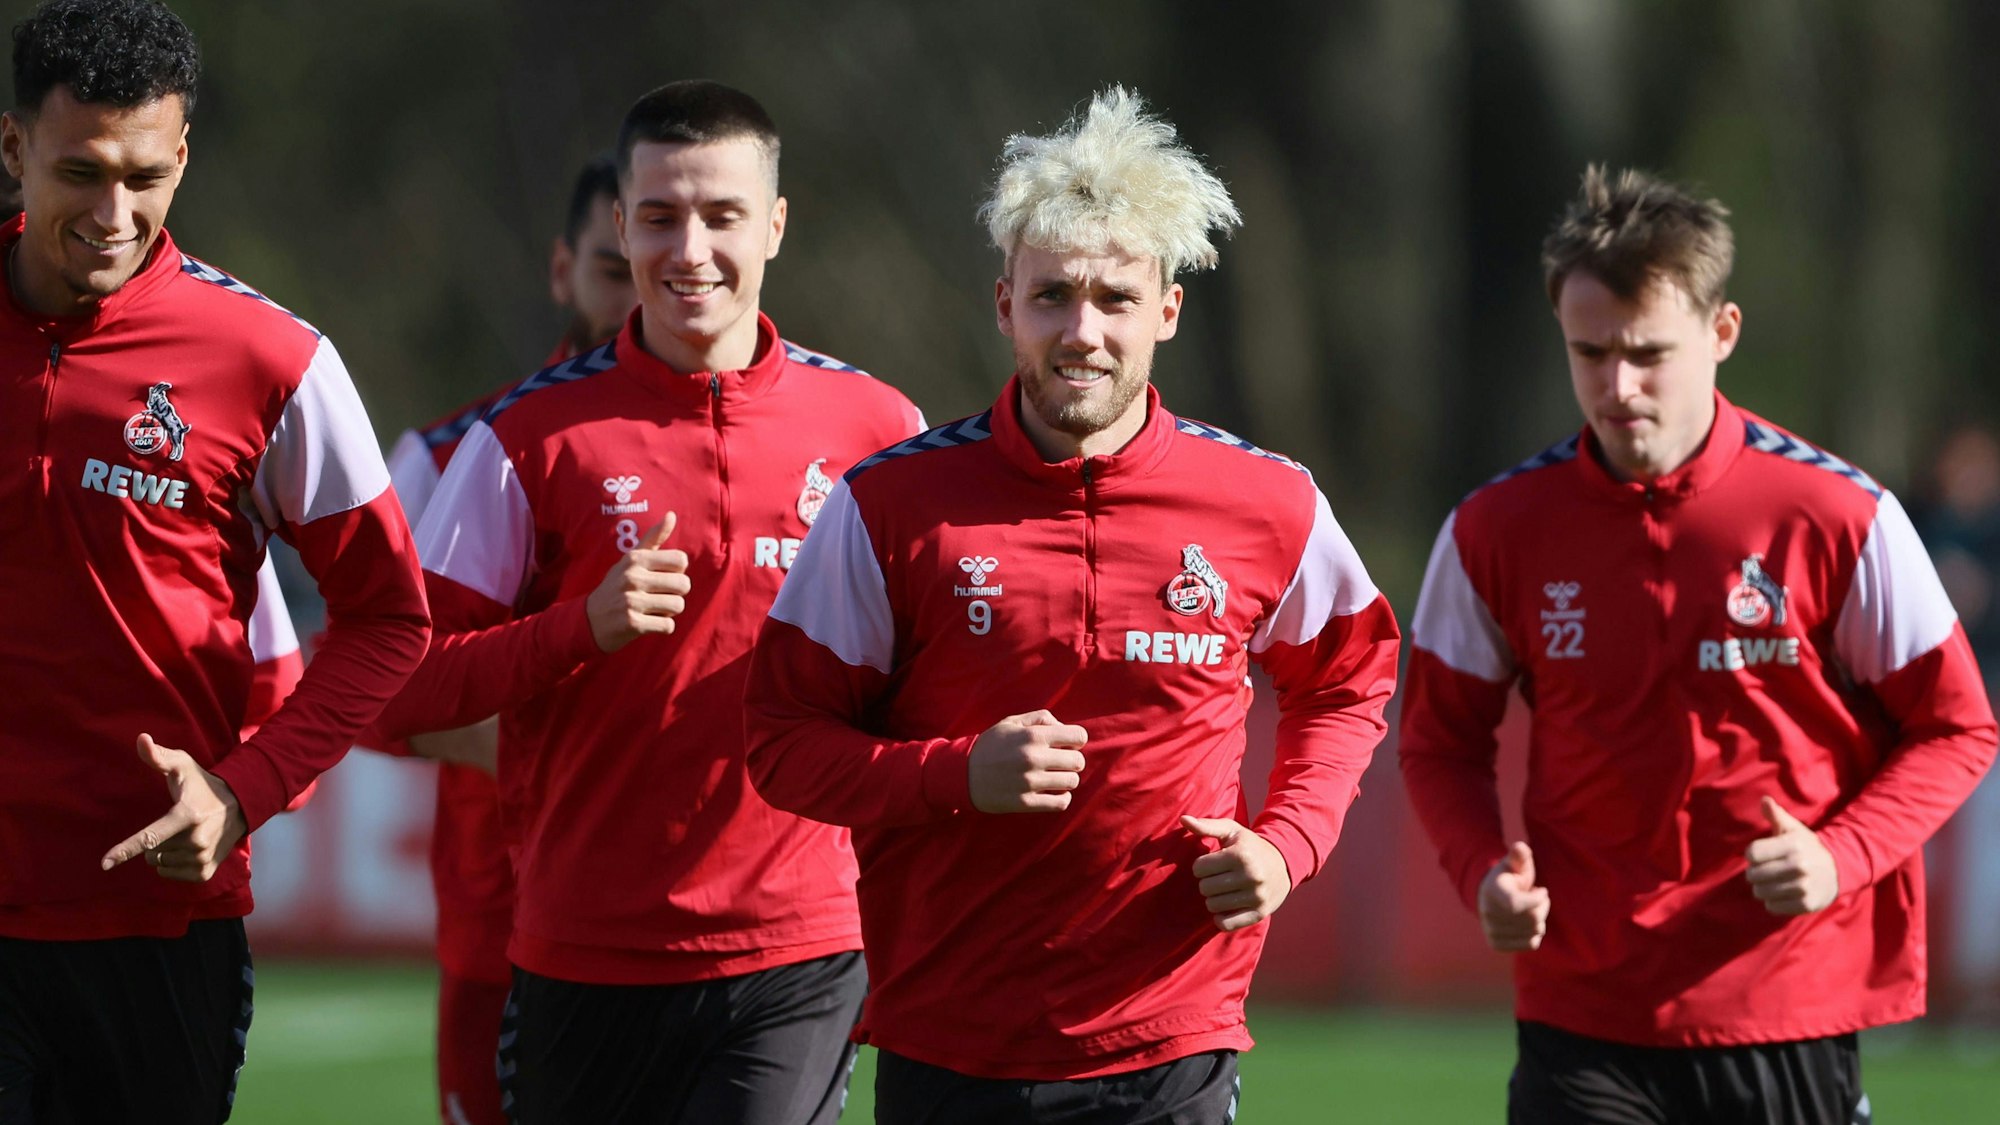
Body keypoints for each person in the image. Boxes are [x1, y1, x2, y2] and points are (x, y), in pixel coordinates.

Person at [743, 87, 1400, 1124]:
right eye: (1051, 297)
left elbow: (1351, 680)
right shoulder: (888, 504)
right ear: (1003, 304)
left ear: (1167, 312)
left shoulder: (1267, 500)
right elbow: (780, 742)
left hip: (1168, 1044)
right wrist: (955, 773)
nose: (1080, 332)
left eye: (1113, 299)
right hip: (949, 1042)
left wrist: (1287, 843)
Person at [372, 80, 924, 1125]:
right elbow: (399, 690)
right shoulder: (523, 441)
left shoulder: (875, 426)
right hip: (579, 949)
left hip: (798, 948)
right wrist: (576, 629)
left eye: (721, 216)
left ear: (774, 225)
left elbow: (927, 671)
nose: (690, 250)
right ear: (620, 227)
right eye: (660, 217)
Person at [1398, 165, 1998, 1124]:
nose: (1617, 385)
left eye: (1648, 353)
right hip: (1582, 1009)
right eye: (1589, 352)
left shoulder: (1839, 515)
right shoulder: (1495, 529)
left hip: (1784, 1002)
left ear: (1721, 334)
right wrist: (1480, 868)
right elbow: (1436, 740)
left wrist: (1841, 857)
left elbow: (1957, 728)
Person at [0, 1, 429, 1122]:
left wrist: (243, 796)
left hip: (158, 929)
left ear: (183, 156)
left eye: (145, 176)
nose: (113, 212)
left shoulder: (272, 359)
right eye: (80, 172)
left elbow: (390, 620)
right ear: (13, 150)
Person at [374, 151, 635, 1125]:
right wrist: (566, 756)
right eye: (612, 270)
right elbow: (370, 685)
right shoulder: (446, 457)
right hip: (501, 926)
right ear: (562, 270)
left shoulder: (774, 449)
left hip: (704, 930)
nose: (637, 294)